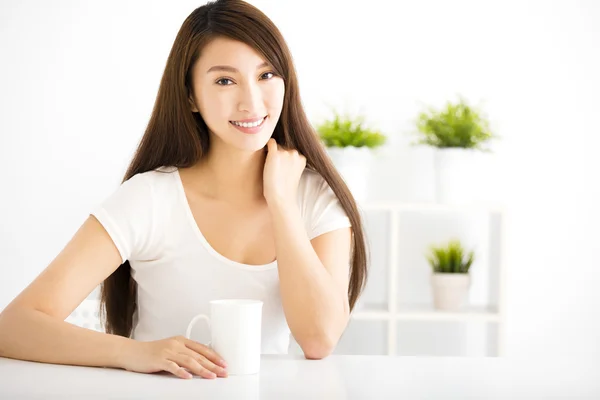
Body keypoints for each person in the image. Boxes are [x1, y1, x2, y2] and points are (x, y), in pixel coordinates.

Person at [0, 0, 368, 380]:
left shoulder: (314, 197)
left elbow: (319, 339)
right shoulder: (149, 199)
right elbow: (13, 326)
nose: (251, 102)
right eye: (225, 80)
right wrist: (135, 353)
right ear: (190, 96)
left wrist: (281, 203)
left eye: (267, 75)